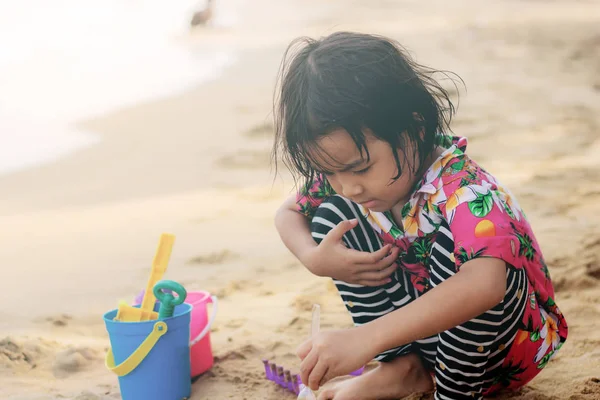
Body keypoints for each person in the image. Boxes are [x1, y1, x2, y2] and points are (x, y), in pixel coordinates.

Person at [271, 32, 568, 400]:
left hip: (499, 351)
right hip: (425, 342)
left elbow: (485, 286)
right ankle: (403, 368)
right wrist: (315, 259)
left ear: (414, 126)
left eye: (361, 168)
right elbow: (288, 213)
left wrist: (363, 339)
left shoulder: (465, 191)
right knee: (333, 216)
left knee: (461, 252)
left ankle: (453, 391)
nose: (348, 187)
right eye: (330, 173)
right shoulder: (347, 179)